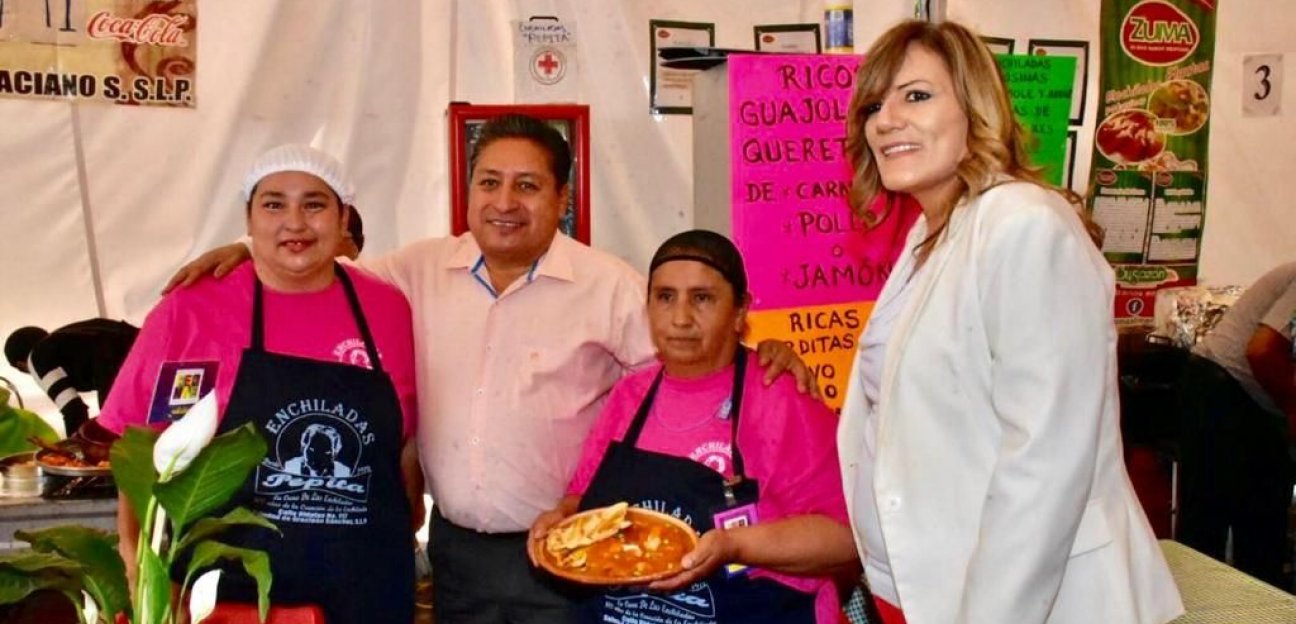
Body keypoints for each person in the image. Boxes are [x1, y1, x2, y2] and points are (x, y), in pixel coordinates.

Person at [165, 114, 815, 623]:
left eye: (527, 185)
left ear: (561, 197)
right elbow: (312, 262)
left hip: (567, 554)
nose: (505, 202)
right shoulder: (413, 272)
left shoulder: (610, 285)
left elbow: (689, 364)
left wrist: (768, 353)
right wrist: (248, 246)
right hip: (456, 552)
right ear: (468, 190)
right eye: (489, 182)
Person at [836, 20, 1183, 624]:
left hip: (1018, 602)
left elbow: (1044, 465)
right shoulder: (930, 234)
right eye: (874, 104)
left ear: (975, 106)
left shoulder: (1024, 224)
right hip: (920, 589)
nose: (885, 119)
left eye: (915, 95)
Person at [98, 144, 424, 623]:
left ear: (343, 219)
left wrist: (408, 526)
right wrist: (138, 563)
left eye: (314, 204)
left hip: (367, 585)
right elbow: (137, 448)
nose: (294, 222)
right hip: (228, 595)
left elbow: (405, 441)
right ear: (249, 222)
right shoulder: (189, 310)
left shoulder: (390, 307)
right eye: (273, 204)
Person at [529, 230, 857, 624]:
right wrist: (559, 520)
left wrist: (734, 546)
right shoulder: (630, 396)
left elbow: (845, 539)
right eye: (665, 297)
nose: (681, 318)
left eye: (702, 299)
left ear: (740, 312)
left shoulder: (781, 396)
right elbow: (585, 500)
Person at [1176, 260, 1296, 587]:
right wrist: (1293, 411)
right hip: (1224, 389)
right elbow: (1263, 351)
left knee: (1260, 527)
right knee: (1212, 529)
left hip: (1250, 397)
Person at [4, 319, 139, 435]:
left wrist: (75, 453)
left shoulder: (36, 357)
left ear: (21, 365)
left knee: (117, 429)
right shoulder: (68, 337)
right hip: (148, 345)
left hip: (124, 365)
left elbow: (73, 409)